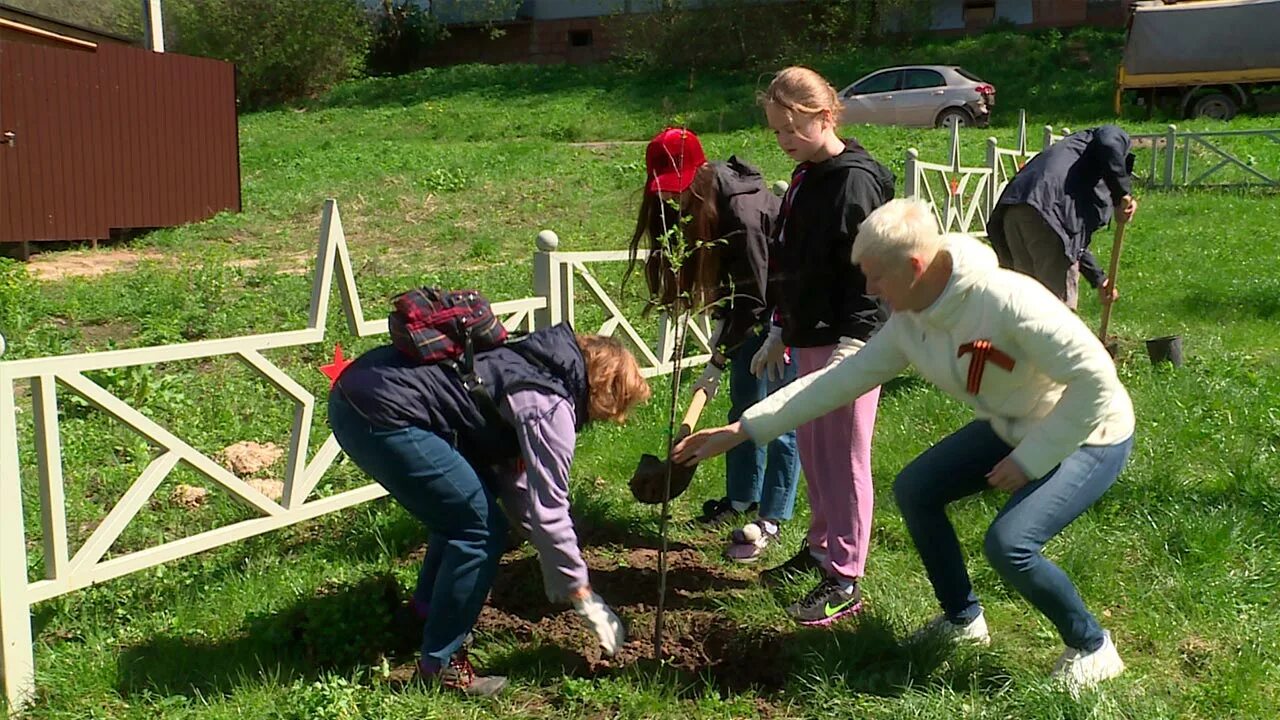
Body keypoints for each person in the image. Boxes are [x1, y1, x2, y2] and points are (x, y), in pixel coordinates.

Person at [675, 198, 1136, 690]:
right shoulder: (912, 321)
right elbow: (839, 380)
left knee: (1010, 543)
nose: (870, 289)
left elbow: (1096, 384)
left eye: (876, 277)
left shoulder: (1009, 302)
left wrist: (1030, 460)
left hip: (1091, 429)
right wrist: (742, 429)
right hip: (1014, 421)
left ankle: (1092, 646)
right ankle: (963, 620)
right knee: (917, 488)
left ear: (915, 267)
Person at [328, 324, 650, 695]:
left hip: (362, 389)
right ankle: (442, 666)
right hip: (383, 413)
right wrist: (583, 594)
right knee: (478, 531)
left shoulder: (530, 362)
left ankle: (421, 619)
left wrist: (554, 560)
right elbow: (550, 509)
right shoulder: (552, 405)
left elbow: (518, 491)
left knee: (459, 516)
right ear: (607, 390)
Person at [742, 66, 895, 626]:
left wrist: (856, 340)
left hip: (848, 342)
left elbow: (868, 270)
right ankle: (819, 548)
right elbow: (793, 260)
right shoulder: (808, 176)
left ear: (825, 116)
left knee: (845, 454)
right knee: (813, 448)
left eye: (792, 130)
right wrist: (781, 325)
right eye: (777, 132)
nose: (784, 142)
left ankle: (846, 574)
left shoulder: (855, 180)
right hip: (809, 335)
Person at [626, 127, 801, 563]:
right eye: (664, 191)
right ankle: (740, 502)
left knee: (780, 417)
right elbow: (734, 289)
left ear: (700, 172)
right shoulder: (699, 208)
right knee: (742, 411)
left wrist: (724, 355)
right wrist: (723, 335)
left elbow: (761, 292)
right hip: (746, 313)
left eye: (677, 189)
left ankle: (773, 517)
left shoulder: (742, 212)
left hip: (787, 316)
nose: (670, 199)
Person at [987, 124, 1139, 310]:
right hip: (1045, 213)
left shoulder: (1073, 158)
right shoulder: (1108, 136)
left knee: (1028, 308)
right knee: (1057, 313)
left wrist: (1099, 278)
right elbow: (1108, 143)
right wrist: (1122, 193)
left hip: (1014, 212)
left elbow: (1072, 243)